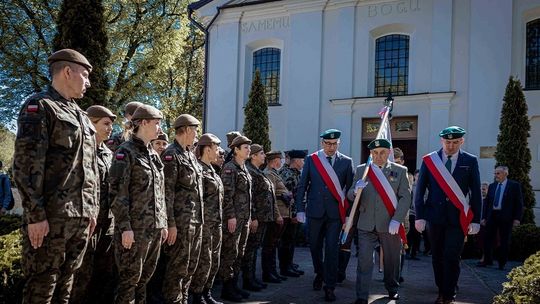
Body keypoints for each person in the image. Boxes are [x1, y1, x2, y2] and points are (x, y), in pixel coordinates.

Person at [13, 49, 99, 303]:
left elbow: (90, 169)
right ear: (67, 72)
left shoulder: (82, 117)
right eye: (84, 75)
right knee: (43, 287)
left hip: (80, 218)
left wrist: (91, 210)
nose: (88, 82)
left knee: (67, 286)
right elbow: (26, 166)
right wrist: (35, 215)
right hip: (52, 218)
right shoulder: (40, 106)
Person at [414, 126, 482, 304]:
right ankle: (441, 288)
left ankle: (448, 293)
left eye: (455, 142)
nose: (451, 146)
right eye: (447, 142)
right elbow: (419, 190)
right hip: (434, 217)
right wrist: (420, 216)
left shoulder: (470, 160)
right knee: (437, 256)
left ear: (462, 141)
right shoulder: (430, 160)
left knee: (452, 256)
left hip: (458, 217)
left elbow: (475, 192)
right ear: (441, 141)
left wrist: (475, 220)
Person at [109, 104, 168, 303]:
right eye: (156, 123)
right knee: (129, 282)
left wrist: (163, 223)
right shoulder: (125, 152)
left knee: (144, 281)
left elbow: (160, 192)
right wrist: (125, 227)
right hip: (134, 230)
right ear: (143, 123)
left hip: (154, 228)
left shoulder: (152, 154)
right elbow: (117, 192)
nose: (160, 128)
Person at [348, 139, 410, 304]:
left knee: (392, 260)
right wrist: (355, 190)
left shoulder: (400, 170)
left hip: (390, 224)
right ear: (371, 154)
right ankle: (362, 296)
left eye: (382, 152)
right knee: (364, 261)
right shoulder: (362, 170)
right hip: (366, 223)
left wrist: (397, 220)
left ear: (389, 152)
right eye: (375, 153)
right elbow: (349, 194)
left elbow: (405, 198)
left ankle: (392, 288)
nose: (378, 156)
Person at [295, 129, 354, 302]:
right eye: (328, 144)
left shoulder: (346, 162)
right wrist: (300, 209)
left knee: (332, 249)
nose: (331, 147)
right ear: (322, 144)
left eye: (334, 144)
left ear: (339, 143)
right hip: (314, 211)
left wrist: (349, 216)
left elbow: (350, 191)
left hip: (335, 214)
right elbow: (302, 185)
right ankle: (319, 273)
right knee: (314, 247)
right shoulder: (313, 160)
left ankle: (330, 286)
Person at [71, 105, 117, 303]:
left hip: (107, 224)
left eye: (111, 125)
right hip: (87, 223)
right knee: (81, 275)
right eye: (105, 124)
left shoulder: (109, 153)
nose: (110, 129)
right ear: (91, 122)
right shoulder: (81, 149)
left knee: (103, 274)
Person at [161, 114, 204, 304]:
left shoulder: (189, 155)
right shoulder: (171, 155)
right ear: (186, 129)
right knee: (177, 268)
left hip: (195, 222)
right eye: (195, 129)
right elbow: (166, 192)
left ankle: (183, 300)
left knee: (190, 268)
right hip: (181, 223)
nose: (197, 134)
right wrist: (171, 224)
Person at [190, 133, 225, 304]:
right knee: (204, 260)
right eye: (216, 148)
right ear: (207, 149)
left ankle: (206, 292)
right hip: (204, 223)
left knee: (214, 260)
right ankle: (197, 295)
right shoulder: (199, 170)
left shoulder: (212, 169)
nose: (218, 151)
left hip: (216, 222)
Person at [243, 145, 282, 291]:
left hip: (264, 217)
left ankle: (252, 278)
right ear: (253, 156)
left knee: (254, 248)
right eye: (261, 153)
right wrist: (253, 217)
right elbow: (250, 197)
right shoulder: (251, 172)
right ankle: (248, 280)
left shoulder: (257, 171)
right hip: (257, 217)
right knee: (250, 249)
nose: (264, 156)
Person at [218, 135, 252, 302]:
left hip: (244, 218)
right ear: (236, 150)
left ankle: (234, 285)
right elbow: (226, 195)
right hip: (234, 218)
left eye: (249, 147)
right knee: (230, 252)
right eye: (245, 147)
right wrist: (230, 216)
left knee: (240, 252)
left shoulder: (243, 167)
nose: (249, 150)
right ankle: (227, 288)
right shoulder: (229, 168)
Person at [478, 166, 523, 270]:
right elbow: (487, 203)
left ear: (505, 174)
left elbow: (519, 203)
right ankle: (487, 260)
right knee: (487, 238)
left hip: (506, 217)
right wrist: (484, 217)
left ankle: (501, 263)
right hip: (492, 215)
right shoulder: (493, 186)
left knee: (504, 240)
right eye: (495, 173)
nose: (496, 176)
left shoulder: (514, 186)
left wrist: (517, 219)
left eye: (498, 173)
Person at [264, 151, 296, 279]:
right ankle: (268, 273)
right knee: (270, 245)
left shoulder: (274, 173)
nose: (281, 161)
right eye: (279, 159)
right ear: (274, 160)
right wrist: (277, 215)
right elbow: (271, 196)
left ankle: (273, 272)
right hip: (277, 213)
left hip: (283, 212)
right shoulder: (269, 174)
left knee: (274, 244)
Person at [278, 150, 307, 277]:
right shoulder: (288, 174)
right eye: (302, 160)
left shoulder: (295, 173)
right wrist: (295, 214)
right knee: (286, 241)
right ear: (296, 161)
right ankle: (285, 267)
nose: (303, 163)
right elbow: (288, 197)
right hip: (288, 214)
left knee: (291, 240)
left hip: (293, 213)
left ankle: (289, 264)